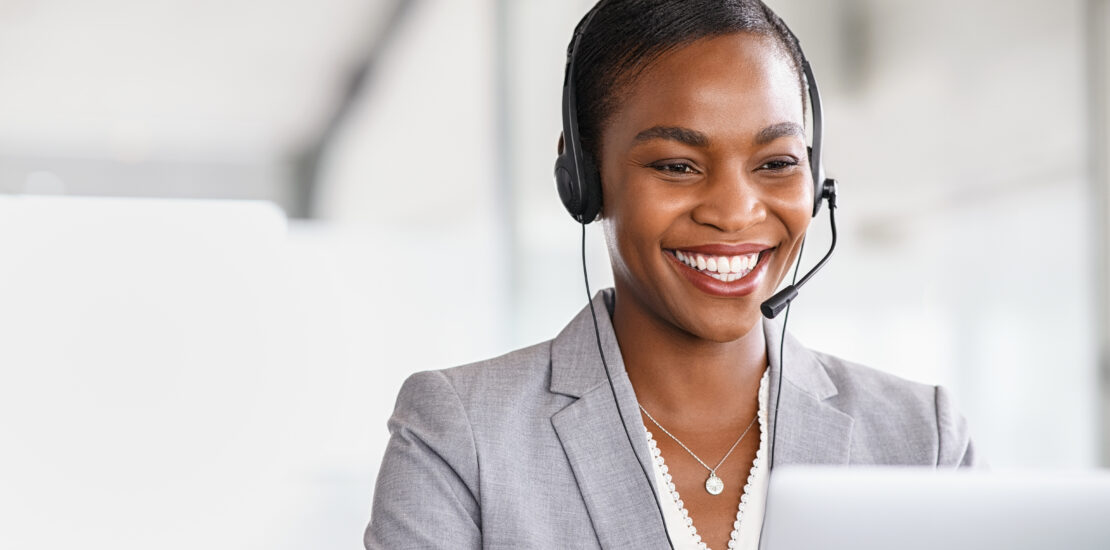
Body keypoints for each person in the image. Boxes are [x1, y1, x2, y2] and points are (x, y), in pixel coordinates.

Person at [365, 1, 978, 549]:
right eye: (678, 165)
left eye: (777, 163)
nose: (735, 212)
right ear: (583, 178)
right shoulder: (461, 436)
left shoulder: (920, 439)